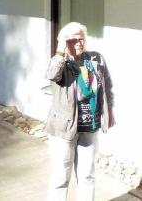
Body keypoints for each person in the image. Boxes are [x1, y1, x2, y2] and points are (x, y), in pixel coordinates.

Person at [46, 22, 115, 201]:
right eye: (73, 39)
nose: (79, 42)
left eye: (81, 38)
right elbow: (52, 75)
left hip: (89, 127)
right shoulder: (61, 62)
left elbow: (108, 86)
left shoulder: (96, 59)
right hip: (64, 128)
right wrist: (61, 50)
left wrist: (110, 111)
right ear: (65, 42)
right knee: (61, 177)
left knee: (87, 176)